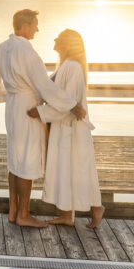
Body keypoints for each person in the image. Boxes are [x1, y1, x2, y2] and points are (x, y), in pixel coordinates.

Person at [0, 9, 86, 227]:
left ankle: (13, 212)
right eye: (35, 25)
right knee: (27, 162)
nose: (37, 29)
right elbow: (45, 86)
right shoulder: (27, 52)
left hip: (12, 107)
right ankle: (24, 215)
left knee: (14, 161)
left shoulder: (3, 47)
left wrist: (5, 94)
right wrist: (71, 104)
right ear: (25, 26)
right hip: (28, 109)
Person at [27, 29, 105, 229]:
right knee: (66, 169)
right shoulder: (65, 66)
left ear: (67, 44)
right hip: (65, 128)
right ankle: (66, 215)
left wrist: (40, 112)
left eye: (59, 38)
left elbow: (65, 103)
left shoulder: (73, 68)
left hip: (72, 130)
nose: (54, 39)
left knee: (79, 170)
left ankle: (97, 208)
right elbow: (57, 95)